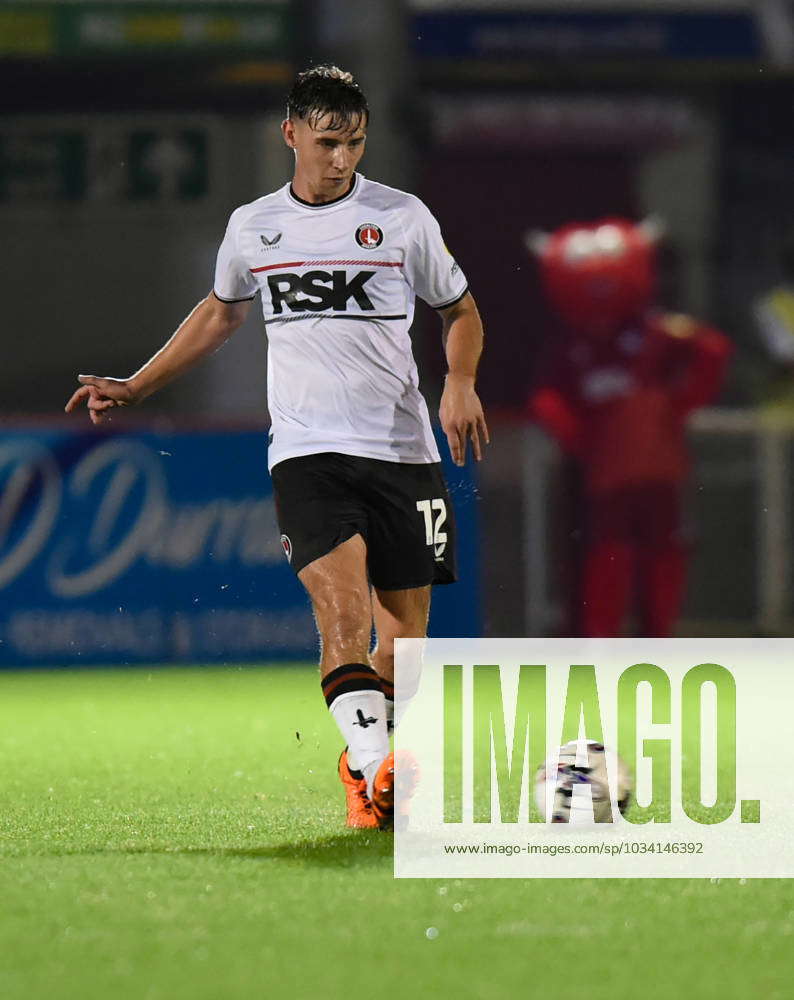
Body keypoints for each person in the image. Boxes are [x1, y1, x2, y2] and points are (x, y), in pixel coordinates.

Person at [65, 65, 488, 831]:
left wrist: (459, 380)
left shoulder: (401, 218)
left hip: (403, 448)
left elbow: (459, 308)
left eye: (355, 143)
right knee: (340, 613)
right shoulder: (254, 226)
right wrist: (137, 384)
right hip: (307, 449)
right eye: (328, 142)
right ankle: (372, 765)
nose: (342, 159)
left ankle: (374, 764)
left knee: (406, 638)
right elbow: (220, 314)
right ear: (290, 134)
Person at [526, 218, 731, 637]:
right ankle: (600, 644)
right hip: (604, 479)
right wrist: (582, 441)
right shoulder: (573, 346)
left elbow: (712, 354)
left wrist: (677, 406)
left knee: (664, 557)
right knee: (607, 559)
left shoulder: (659, 335)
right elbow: (546, 400)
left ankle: (659, 642)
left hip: (660, 473)